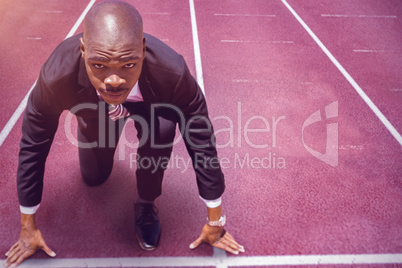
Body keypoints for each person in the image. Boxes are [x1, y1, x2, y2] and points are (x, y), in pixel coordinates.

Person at [4, 1, 244, 267]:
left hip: (149, 105)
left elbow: (201, 141)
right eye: (100, 65)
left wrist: (215, 221)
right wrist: (27, 226)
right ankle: (96, 126)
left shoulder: (172, 72)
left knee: (162, 128)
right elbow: (33, 147)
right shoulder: (57, 76)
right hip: (95, 110)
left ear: (143, 50)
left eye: (128, 65)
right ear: (83, 52)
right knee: (94, 177)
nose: (114, 80)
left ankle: (146, 203)